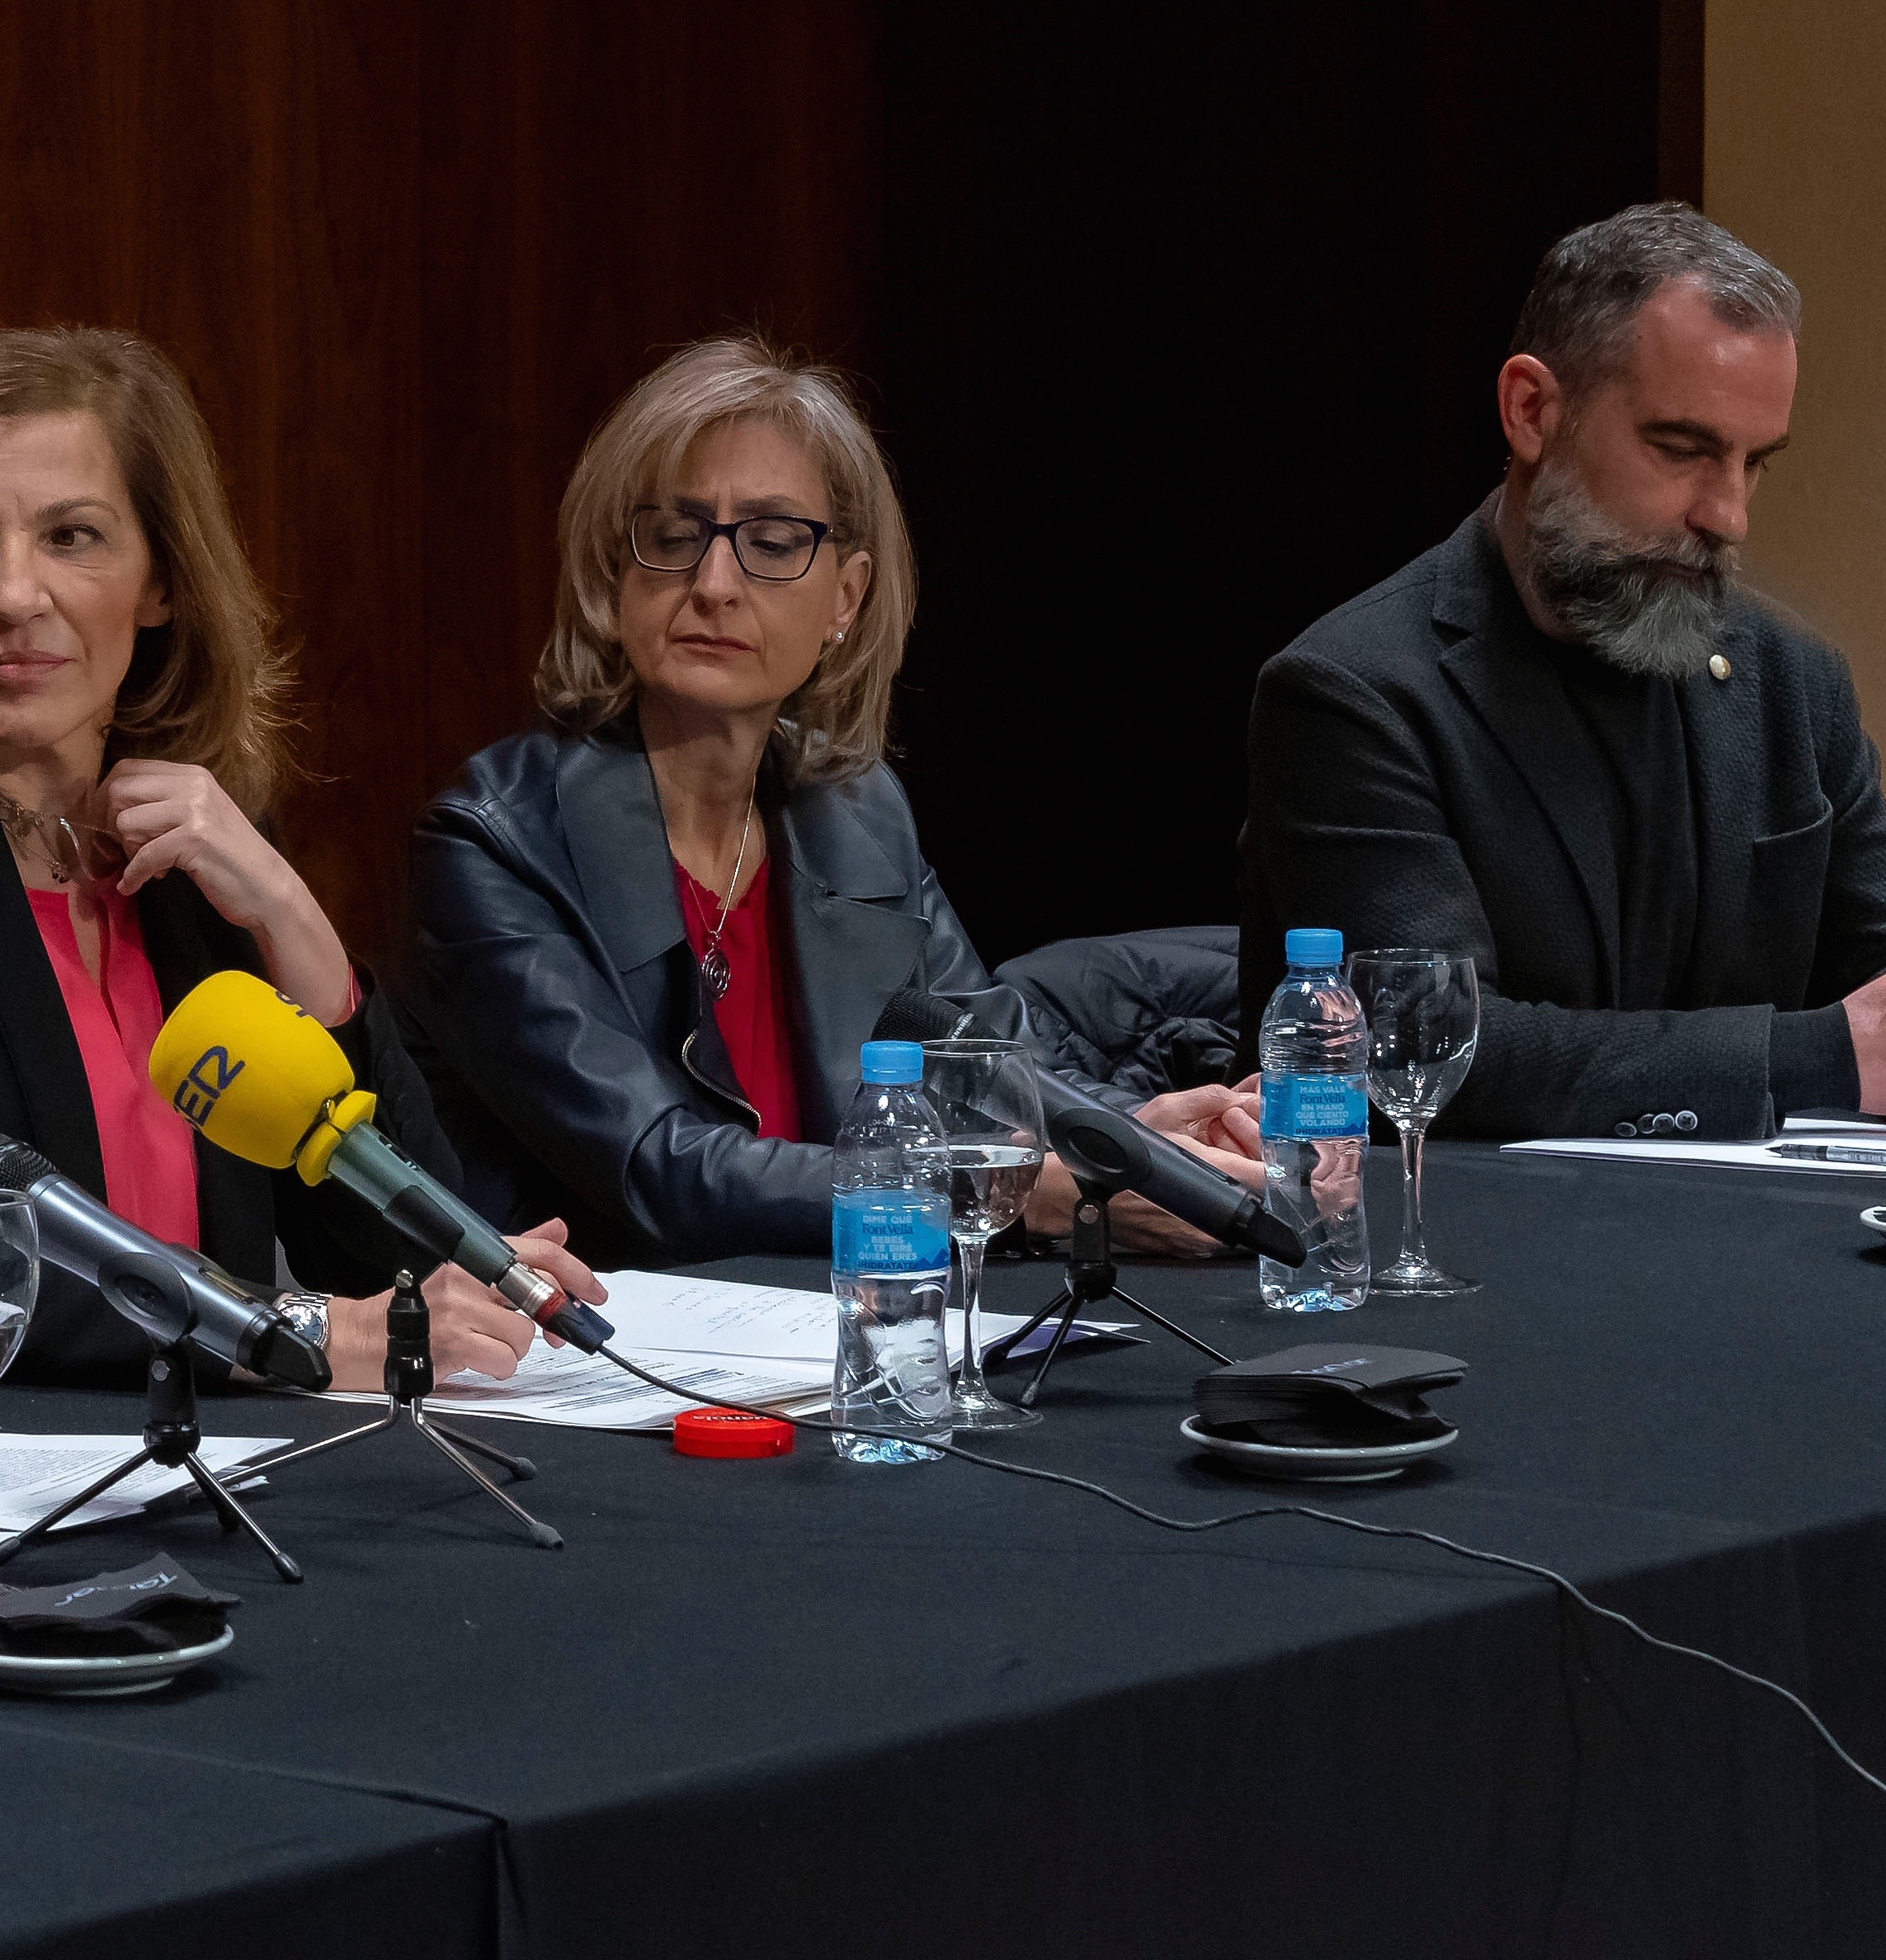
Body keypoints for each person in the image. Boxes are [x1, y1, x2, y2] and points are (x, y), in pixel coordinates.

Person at [0, 327, 602, 1387]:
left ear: (161, 584)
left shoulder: (203, 866)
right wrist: (299, 1335)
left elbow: (391, 1266)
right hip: (1, 1482)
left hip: (245, 1475)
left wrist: (292, 924)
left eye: (71, 537)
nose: (10, 595)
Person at [412, 337, 1264, 1268]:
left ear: (844, 600)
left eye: (772, 544)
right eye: (671, 537)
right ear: (613, 577)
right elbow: (656, 1171)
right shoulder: (493, 842)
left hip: (838, 1327)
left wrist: (1140, 1144)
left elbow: (987, 1065)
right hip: (609, 1363)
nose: (713, 584)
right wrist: (1012, 1190)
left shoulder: (851, 809)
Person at [1238, 204, 1886, 1140]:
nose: (1726, 515)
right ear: (1531, 410)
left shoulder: (1792, 678)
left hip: (1759, 1242)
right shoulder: (1354, 692)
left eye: (1752, 463)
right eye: (1682, 451)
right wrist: (1818, 1055)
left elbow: (1885, 986)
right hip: (1466, 1248)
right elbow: (1421, 1050)